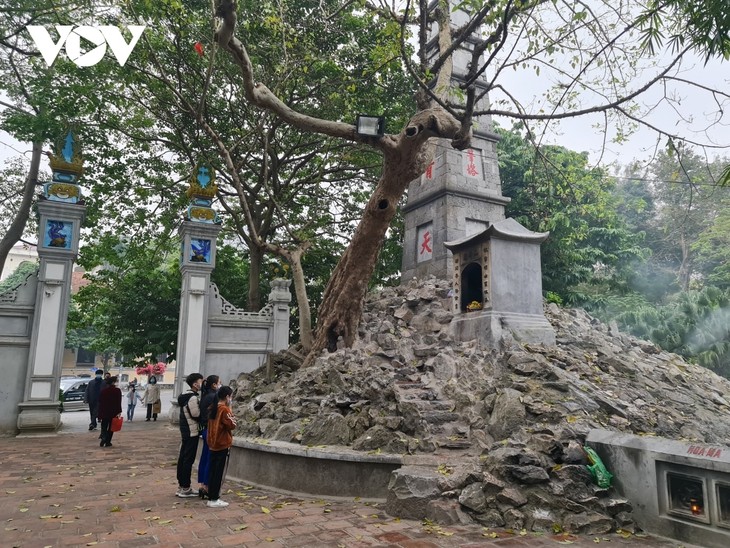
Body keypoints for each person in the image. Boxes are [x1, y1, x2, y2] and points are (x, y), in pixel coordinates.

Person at [206, 385, 237, 508]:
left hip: (213, 443)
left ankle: (211, 496)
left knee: (213, 471)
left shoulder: (213, 407)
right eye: (231, 396)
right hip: (222, 444)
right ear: (227, 397)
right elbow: (232, 424)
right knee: (218, 472)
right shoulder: (224, 409)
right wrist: (231, 409)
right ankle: (214, 498)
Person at [176, 372, 203, 498]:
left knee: (183, 457)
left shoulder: (184, 396)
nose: (202, 383)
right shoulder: (192, 397)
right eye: (200, 381)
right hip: (192, 431)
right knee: (188, 459)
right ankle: (186, 488)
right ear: (195, 384)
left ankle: (181, 486)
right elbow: (196, 414)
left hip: (185, 430)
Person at [197, 375, 220, 499]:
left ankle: (201, 485)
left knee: (204, 458)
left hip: (205, 430)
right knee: (211, 460)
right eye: (219, 382)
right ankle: (207, 486)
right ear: (214, 385)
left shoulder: (205, 396)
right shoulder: (214, 397)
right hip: (211, 431)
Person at [98, 376, 122, 447]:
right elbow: (118, 402)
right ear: (113, 382)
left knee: (104, 425)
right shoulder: (117, 390)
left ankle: (103, 436)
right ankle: (108, 441)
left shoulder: (103, 391)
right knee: (112, 427)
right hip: (113, 411)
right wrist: (119, 411)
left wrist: (100, 413)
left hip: (104, 411)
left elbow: (100, 402)